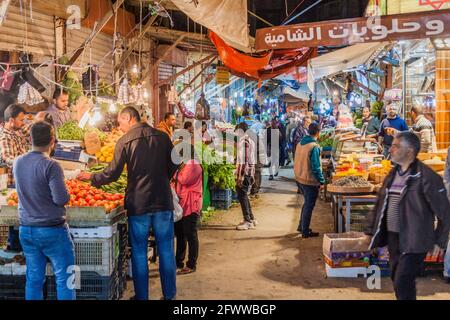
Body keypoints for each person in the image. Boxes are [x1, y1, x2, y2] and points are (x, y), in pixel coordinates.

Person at [77, 106, 178, 300]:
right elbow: (175, 164)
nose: (119, 125)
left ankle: (142, 297)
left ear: (129, 118)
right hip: (162, 201)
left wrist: (92, 176)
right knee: (166, 249)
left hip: (138, 203)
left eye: (120, 122)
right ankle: (170, 296)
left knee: (139, 251)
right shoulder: (162, 137)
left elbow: (112, 174)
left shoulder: (125, 141)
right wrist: (162, 179)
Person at [366, 131, 450, 300]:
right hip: (394, 237)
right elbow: (381, 203)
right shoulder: (393, 173)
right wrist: (371, 231)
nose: (391, 149)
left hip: (415, 238)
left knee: (402, 280)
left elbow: (445, 211)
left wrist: (440, 240)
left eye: (396, 146)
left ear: (409, 150)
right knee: (398, 279)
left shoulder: (427, 177)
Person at [14, 121, 75, 300]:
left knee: (33, 279)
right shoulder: (51, 165)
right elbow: (61, 198)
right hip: (52, 231)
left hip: (27, 230)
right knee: (66, 278)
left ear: (30, 139)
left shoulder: (18, 162)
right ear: (52, 141)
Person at [0, 105, 45, 251]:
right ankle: (14, 249)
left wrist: (39, 121)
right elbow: (8, 158)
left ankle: (20, 249)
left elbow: (28, 129)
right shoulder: (5, 137)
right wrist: (28, 162)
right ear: (11, 120)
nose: (23, 122)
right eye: (21, 120)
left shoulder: (17, 130)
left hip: (24, 182)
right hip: (15, 184)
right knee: (16, 220)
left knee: (21, 219)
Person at [173, 144, 203, 275]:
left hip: (191, 204)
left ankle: (191, 264)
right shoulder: (186, 163)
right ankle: (178, 261)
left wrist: (174, 174)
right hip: (182, 203)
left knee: (190, 234)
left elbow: (184, 179)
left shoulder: (193, 163)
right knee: (181, 234)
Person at [294, 123, 325, 238]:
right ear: (318, 132)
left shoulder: (300, 143)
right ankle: (305, 231)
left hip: (299, 178)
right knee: (309, 205)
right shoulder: (314, 147)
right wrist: (322, 181)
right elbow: (316, 167)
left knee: (306, 203)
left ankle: (301, 226)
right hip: (309, 180)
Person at [235, 122, 257, 230]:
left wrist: (240, 177)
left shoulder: (244, 142)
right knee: (244, 195)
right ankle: (251, 218)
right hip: (248, 173)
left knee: (242, 195)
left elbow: (244, 161)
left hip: (245, 174)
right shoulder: (249, 140)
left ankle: (247, 221)